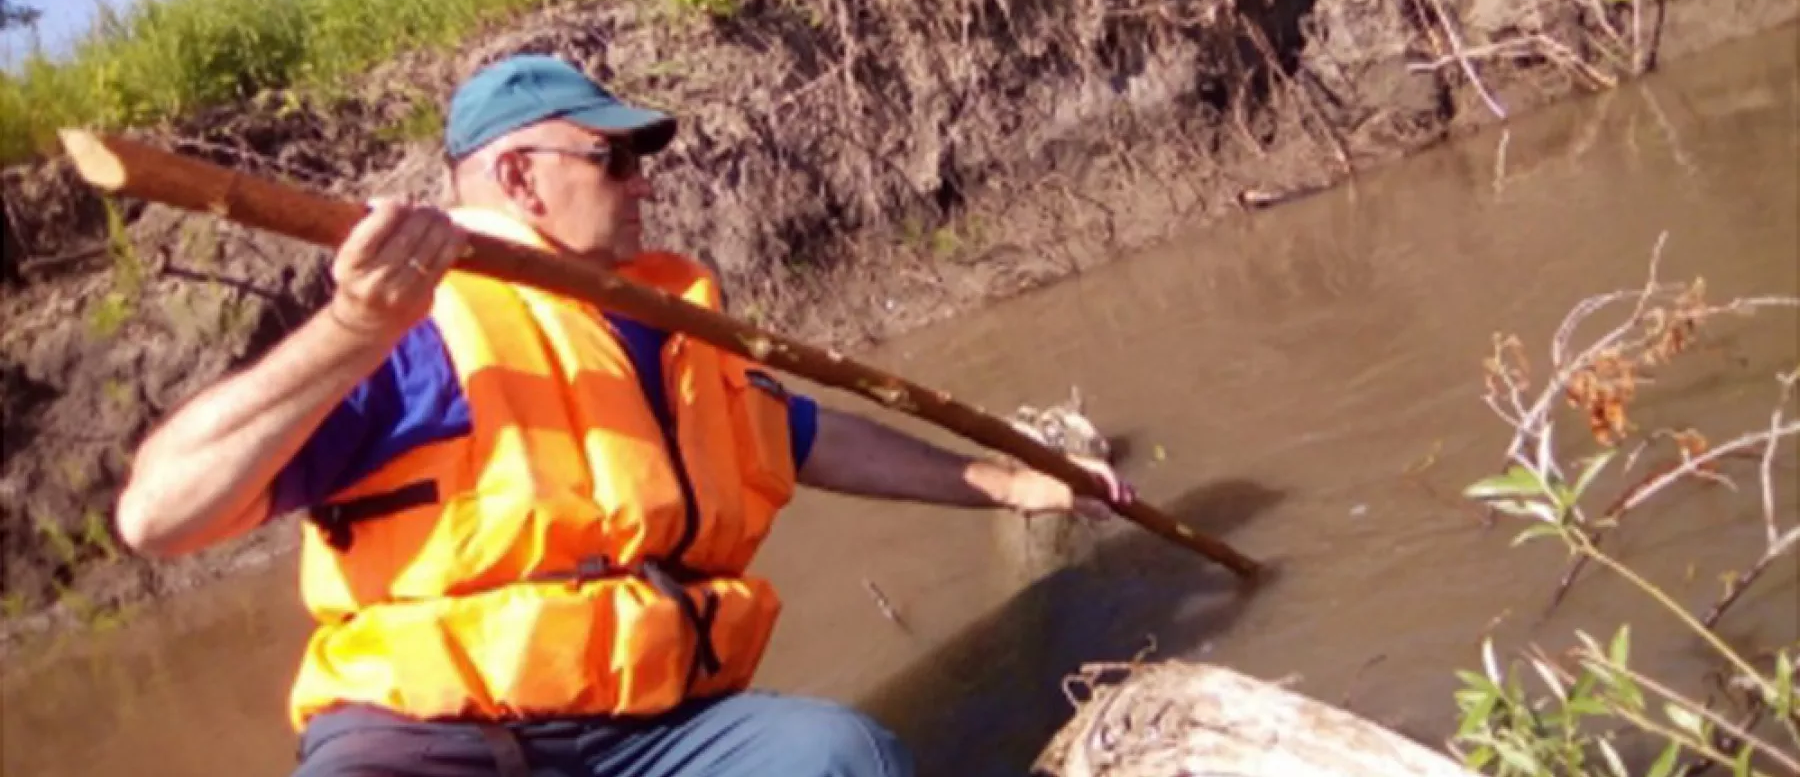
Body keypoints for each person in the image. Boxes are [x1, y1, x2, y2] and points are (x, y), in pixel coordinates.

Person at [114, 54, 1132, 777]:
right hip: (428, 738)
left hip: (646, 733)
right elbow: (158, 516)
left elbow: (811, 437)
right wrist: (349, 327)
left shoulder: (659, 321)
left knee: (843, 756)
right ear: (520, 177)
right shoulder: (409, 331)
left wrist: (1015, 480)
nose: (645, 179)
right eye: (616, 158)